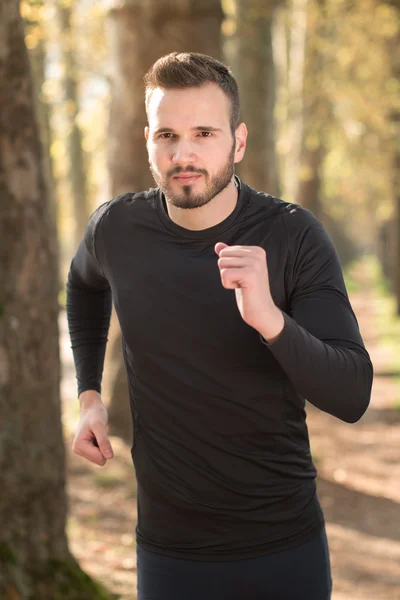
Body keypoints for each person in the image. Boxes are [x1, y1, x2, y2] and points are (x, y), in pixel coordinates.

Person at [66, 52, 373, 600]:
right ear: (147, 141)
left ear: (238, 141)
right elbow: (84, 287)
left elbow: (353, 392)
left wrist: (271, 322)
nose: (184, 154)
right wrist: (89, 395)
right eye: (167, 134)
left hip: (284, 549)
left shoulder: (293, 235)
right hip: (168, 554)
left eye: (204, 133)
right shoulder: (117, 228)